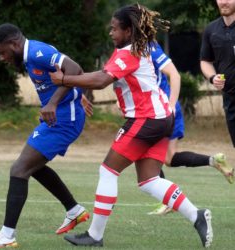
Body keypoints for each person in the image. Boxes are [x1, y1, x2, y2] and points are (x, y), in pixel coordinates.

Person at [50, 4, 213, 248]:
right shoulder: (136, 49)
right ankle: (196, 215)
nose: (111, 32)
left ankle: (95, 235)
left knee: (108, 170)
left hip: (145, 120)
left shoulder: (129, 53)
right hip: (159, 120)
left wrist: (64, 79)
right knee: (149, 180)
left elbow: (101, 80)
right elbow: (103, 75)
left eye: (115, 29)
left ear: (128, 31)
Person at [0, 23, 91, 248]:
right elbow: (69, 76)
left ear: (14, 44)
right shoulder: (31, 57)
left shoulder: (39, 53)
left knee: (19, 170)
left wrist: (53, 102)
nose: (2, 58)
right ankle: (74, 210)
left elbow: (75, 69)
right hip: (58, 118)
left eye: (3, 52)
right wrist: (79, 93)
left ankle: (6, 236)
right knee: (32, 166)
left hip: (64, 121)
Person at [148, 42, 234, 215]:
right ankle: (213, 160)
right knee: (169, 158)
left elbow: (173, 74)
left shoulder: (149, 48)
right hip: (161, 109)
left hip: (164, 109)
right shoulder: (139, 47)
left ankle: (169, 201)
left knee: (150, 153)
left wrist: (170, 106)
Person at [200, 0, 235, 148]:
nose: (224, 2)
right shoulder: (211, 29)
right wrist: (213, 77)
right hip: (230, 99)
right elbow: (205, 61)